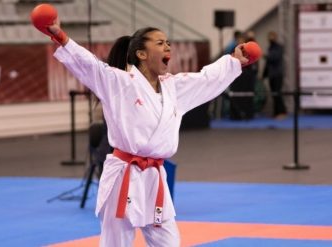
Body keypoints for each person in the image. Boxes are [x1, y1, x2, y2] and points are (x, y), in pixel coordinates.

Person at [35, 16, 249, 247]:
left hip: (154, 177)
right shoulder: (118, 82)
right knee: (116, 243)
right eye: (159, 43)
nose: (167, 46)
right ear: (141, 54)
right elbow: (90, 65)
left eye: (168, 42)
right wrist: (61, 37)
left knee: (168, 242)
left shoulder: (174, 87)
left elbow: (206, 79)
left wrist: (233, 62)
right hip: (123, 176)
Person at [263, 31, 287, 119]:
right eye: (269, 37)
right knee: (273, 94)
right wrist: (264, 75)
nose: (270, 38)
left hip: (278, 75)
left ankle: (282, 112)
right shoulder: (270, 47)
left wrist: (266, 55)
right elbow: (267, 63)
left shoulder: (279, 47)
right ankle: (276, 113)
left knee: (277, 93)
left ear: (275, 37)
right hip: (271, 75)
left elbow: (274, 58)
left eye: (272, 36)